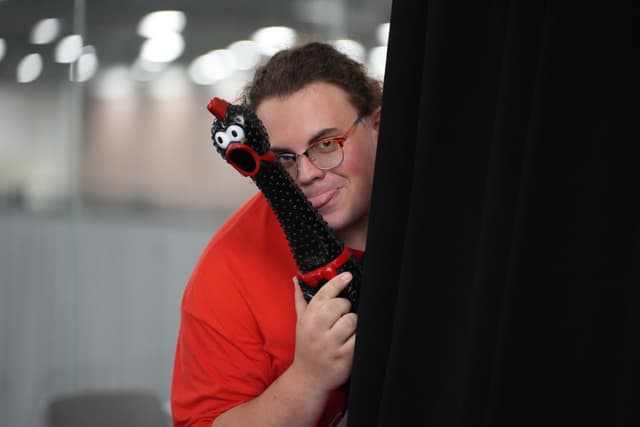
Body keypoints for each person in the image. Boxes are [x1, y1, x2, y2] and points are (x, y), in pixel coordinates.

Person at [171, 41, 382, 427]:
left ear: (377, 126)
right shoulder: (230, 267)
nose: (306, 173)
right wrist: (308, 379)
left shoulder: (447, 220)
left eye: (326, 144)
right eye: (284, 158)